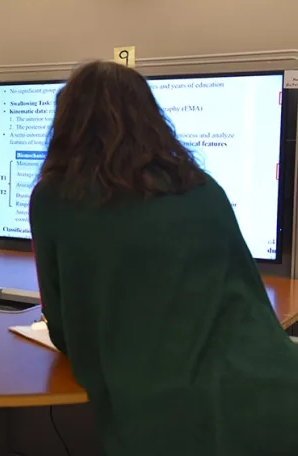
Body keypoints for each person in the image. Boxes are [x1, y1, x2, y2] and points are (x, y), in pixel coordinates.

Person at [29, 60, 298, 456]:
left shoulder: (55, 199)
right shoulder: (203, 186)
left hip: (168, 421)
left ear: (68, 125)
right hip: (277, 392)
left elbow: (66, 330)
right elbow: (248, 295)